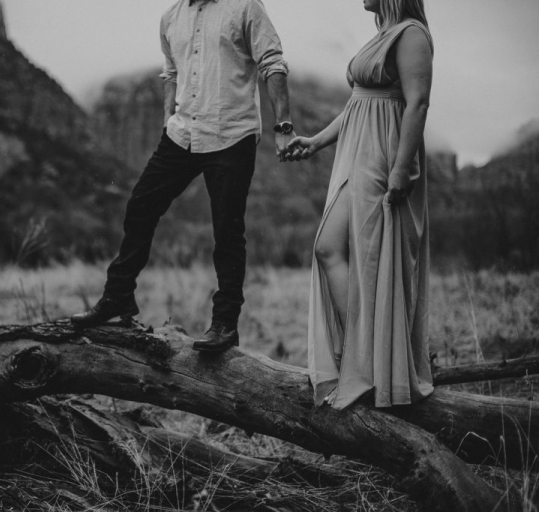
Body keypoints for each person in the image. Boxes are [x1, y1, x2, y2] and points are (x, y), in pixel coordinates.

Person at [72, 0, 298, 352]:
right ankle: (118, 298)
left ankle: (224, 324)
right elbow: (171, 73)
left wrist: (283, 126)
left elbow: (273, 62)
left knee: (227, 231)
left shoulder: (245, 7)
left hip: (231, 135)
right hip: (181, 134)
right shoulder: (170, 18)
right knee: (141, 205)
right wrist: (168, 119)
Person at [286, 0, 434, 408]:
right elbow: (359, 102)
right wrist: (316, 141)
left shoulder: (411, 34)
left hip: (383, 155)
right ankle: (361, 362)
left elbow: (417, 103)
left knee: (368, 262)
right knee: (329, 248)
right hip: (356, 149)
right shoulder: (381, 36)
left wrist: (402, 171)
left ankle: (370, 370)